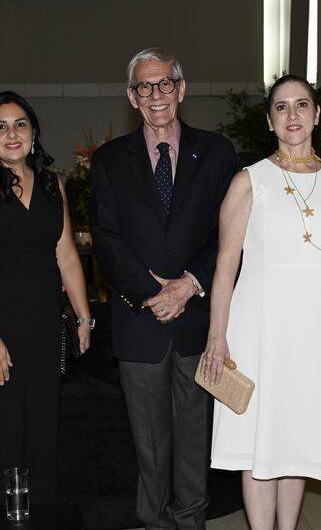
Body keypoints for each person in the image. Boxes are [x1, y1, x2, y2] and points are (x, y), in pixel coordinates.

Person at [90, 47, 237, 529]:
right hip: (140, 321)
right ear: (132, 98)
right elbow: (106, 238)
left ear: (182, 89)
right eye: (144, 87)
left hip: (198, 323)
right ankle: (153, 522)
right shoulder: (109, 160)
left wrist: (188, 285)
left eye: (165, 84)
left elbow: (227, 234)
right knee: (150, 446)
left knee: (196, 441)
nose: (156, 95)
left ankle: (191, 522)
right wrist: (154, 294)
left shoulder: (217, 153)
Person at [201, 75, 321, 530]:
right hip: (259, 327)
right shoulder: (250, 181)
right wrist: (216, 338)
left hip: (315, 329)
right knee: (260, 440)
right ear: (269, 121)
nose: (293, 115)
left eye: (302, 105)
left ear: (317, 115)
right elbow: (225, 265)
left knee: (296, 439)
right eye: (281, 107)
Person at [0, 90, 92, 507]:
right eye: (0, 126)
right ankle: (1, 514)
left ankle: (39, 512)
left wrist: (84, 317)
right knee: (2, 427)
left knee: (41, 424)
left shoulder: (53, 183)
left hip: (44, 323)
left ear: (33, 132)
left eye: (20, 124)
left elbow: (65, 253)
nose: (11, 134)